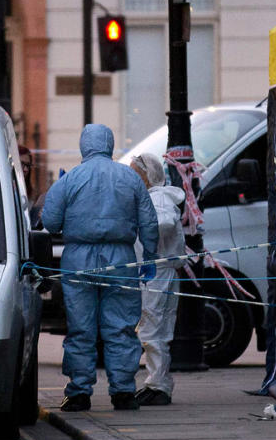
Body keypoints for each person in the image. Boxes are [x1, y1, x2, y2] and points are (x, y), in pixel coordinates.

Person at [41, 124, 158, 411]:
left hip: (78, 258)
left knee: (81, 328)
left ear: (84, 145)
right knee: (120, 327)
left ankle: (79, 392)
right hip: (121, 258)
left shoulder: (70, 180)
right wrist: (150, 257)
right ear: (109, 144)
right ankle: (123, 392)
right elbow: (149, 223)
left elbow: (51, 222)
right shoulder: (129, 178)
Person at [129, 152, 185, 406]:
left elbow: (165, 223)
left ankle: (158, 385)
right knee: (157, 330)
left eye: (135, 173)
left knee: (152, 330)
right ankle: (157, 382)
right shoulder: (153, 197)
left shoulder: (158, 198)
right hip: (158, 272)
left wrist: (139, 224)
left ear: (147, 176)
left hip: (158, 272)